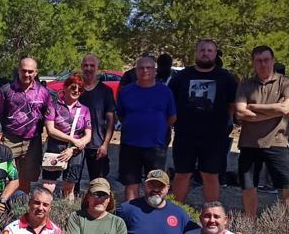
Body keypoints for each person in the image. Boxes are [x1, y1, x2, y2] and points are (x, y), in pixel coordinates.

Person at [167, 39, 239, 203]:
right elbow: (169, 103)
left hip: (214, 137)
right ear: (196, 53)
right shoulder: (181, 77)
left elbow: (232, 105)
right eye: (202, 50)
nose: (205, 53)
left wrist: (224, 124)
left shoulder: (225, 77)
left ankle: (211, 212)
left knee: (211, 175)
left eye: (209, 51)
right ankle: (178, 212)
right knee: (182, 174)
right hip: (185, 135)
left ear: (215, 54)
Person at [236, 45, 289, 218]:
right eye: (258, 61)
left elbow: (286, 108)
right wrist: (273, 112)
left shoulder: (286, 83)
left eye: (266, 60)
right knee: (249, 187)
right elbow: (240, 112)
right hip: (250, 143)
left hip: (277, 142)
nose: (263, 64)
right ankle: (250, 223)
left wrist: (255, 107)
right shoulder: (246, 85)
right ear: (253, 63)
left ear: (272, 61)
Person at [116, 55, 176, 201]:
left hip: (156, 146)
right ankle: (132, 214)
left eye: (148, 68)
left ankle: (153, 214)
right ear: (136, 71)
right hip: (130, 145)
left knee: (156, 185)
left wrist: (158, 129)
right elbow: (121, 115)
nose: (145, 71)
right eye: (141, 68)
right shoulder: (126, 91)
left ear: (155, 70)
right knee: (131, 184)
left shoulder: (165, 92)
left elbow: (172, 117)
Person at [0, 56, 55, 191]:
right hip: (9, 139)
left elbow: (49, 116)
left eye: (30, 71)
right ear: (18, 70)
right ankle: (4, 206)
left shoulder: (44, 93)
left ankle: (21, 206)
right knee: (5, 175)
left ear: (36, 72)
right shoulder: (6, 90)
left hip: (32, 141)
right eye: (24, 70)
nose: (27, 74)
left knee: (27, 178)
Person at [42, 75, 92, 199]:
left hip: (75, 152)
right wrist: (72, 140)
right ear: (65, 87)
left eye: (80, 89)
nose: (76, 91)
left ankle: (66, 215)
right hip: (55, 148)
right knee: (48, 186)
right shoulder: (53, 106)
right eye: (73, 87)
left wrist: (73, 148)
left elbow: (88, 135)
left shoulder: (85, 110)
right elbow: (51, 130)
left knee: (69, 188)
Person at [78, 54, 117, 183]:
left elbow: (111, 120)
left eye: (92, 65)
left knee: (98, 183)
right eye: (86, 65)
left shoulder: (105, 91)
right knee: (72, 183)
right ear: (81, 67)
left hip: (97, 144)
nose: (88, 68)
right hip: (76, 143)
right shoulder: (75, 89)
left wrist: (105, 144)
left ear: (97, 68)